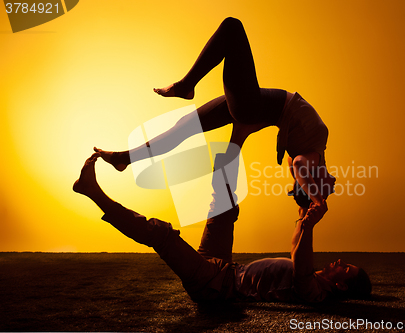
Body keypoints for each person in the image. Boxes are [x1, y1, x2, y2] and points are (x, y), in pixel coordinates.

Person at [95, 17, 335, 209]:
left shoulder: (310, 156)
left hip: (252, 105)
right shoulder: (307, 150)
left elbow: (299, 164)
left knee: (232, 28)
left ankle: (185, 86)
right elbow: (267, 125)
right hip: (251, 109)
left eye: (328, 188)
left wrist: (316, 200)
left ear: (313, 184)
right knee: (183, 127)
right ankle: (125, 159)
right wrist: (236, 143)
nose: (334, 183)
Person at [73, 152, 372, 302]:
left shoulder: (317, 293)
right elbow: (297, 249)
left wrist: (309, 222)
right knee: (226, 204)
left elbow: (302, 263)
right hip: (223, 267)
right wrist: (304, 204)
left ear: (342, 285)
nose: (339, 262)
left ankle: (92, 192)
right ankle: (232, 142)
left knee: (160, 234)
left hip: (214, 286)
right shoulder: (311, 276)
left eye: (346, 269)